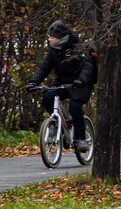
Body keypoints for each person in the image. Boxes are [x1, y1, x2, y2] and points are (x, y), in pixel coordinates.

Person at [27, 20, 96, 154]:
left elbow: (87, 67)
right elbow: (45, 67)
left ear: (60, 38)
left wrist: (81, 80)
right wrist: (33, 82)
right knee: (48, 98)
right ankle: (58, 124)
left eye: (51, 37)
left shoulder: (79, 48)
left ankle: (81, 138)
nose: (49, 39)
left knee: (75, 107)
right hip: (62, 81)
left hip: (80, 83)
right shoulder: (54, 50)